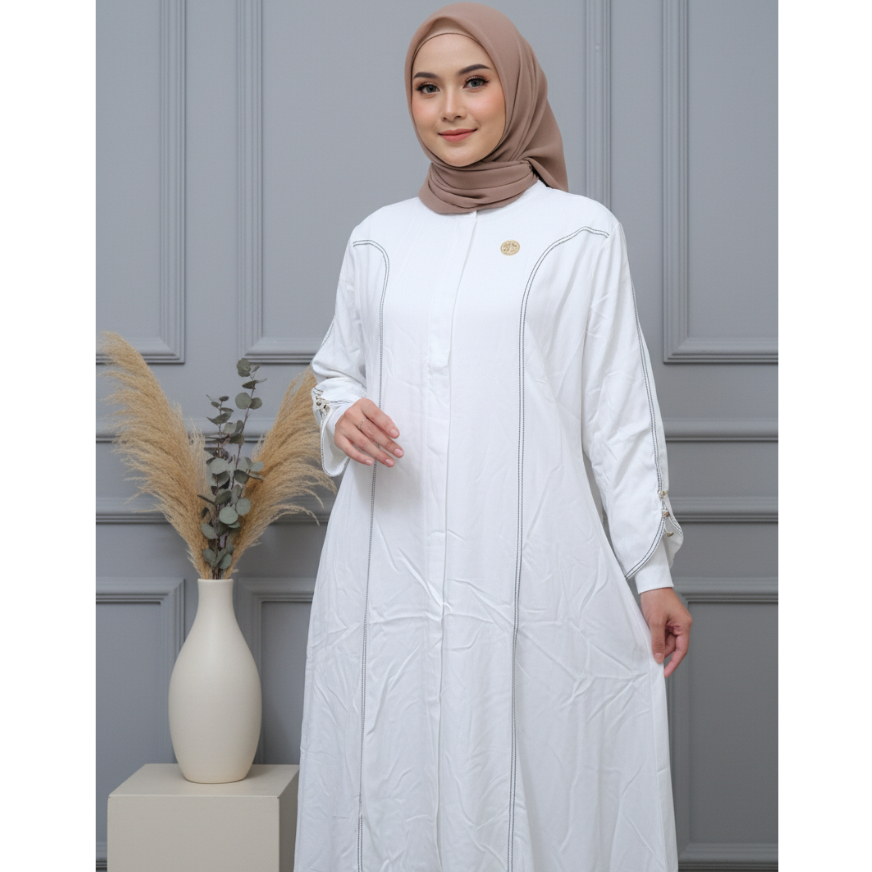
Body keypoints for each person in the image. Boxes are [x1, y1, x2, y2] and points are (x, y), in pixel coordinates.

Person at [297, 3, 692, 870]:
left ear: (515, 89)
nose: (450, 109)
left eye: (474, 82)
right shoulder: (379, 239)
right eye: (426, 87)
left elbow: (618, 414)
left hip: (530, 559)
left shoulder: (581, 233)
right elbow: (335, 369)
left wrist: (652, 572)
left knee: (536, 767)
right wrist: (342, 408)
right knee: (394, 760)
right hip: (390, 558)